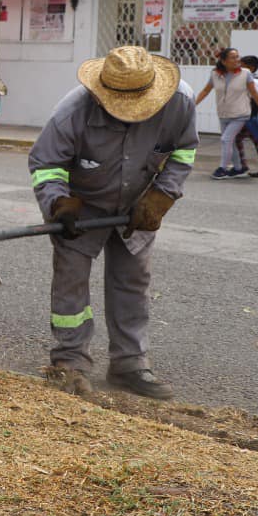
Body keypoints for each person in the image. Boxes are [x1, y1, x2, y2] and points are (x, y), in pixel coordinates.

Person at [28, 46, 198, 400]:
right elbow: (45, 165)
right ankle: (69, 361)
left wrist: (163, 195)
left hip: (138, 203)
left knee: (132, 282)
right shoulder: (71, 113)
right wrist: (59, 204)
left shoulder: (180, 102)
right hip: (82, 205)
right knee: (71, 281)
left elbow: (184, 151)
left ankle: (129, 363)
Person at [193, 47, 258, 179]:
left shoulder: (245, 73)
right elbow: (206, 90)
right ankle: (238, 168)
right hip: (223, 114)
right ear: (224, 61)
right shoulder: (215, 74)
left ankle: (223, 168)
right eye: (233, 57)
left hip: (240, 114)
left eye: (237, 56)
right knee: (231, 141)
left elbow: (253, 92)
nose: (237, 59)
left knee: (226, 139)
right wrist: (193, 104)